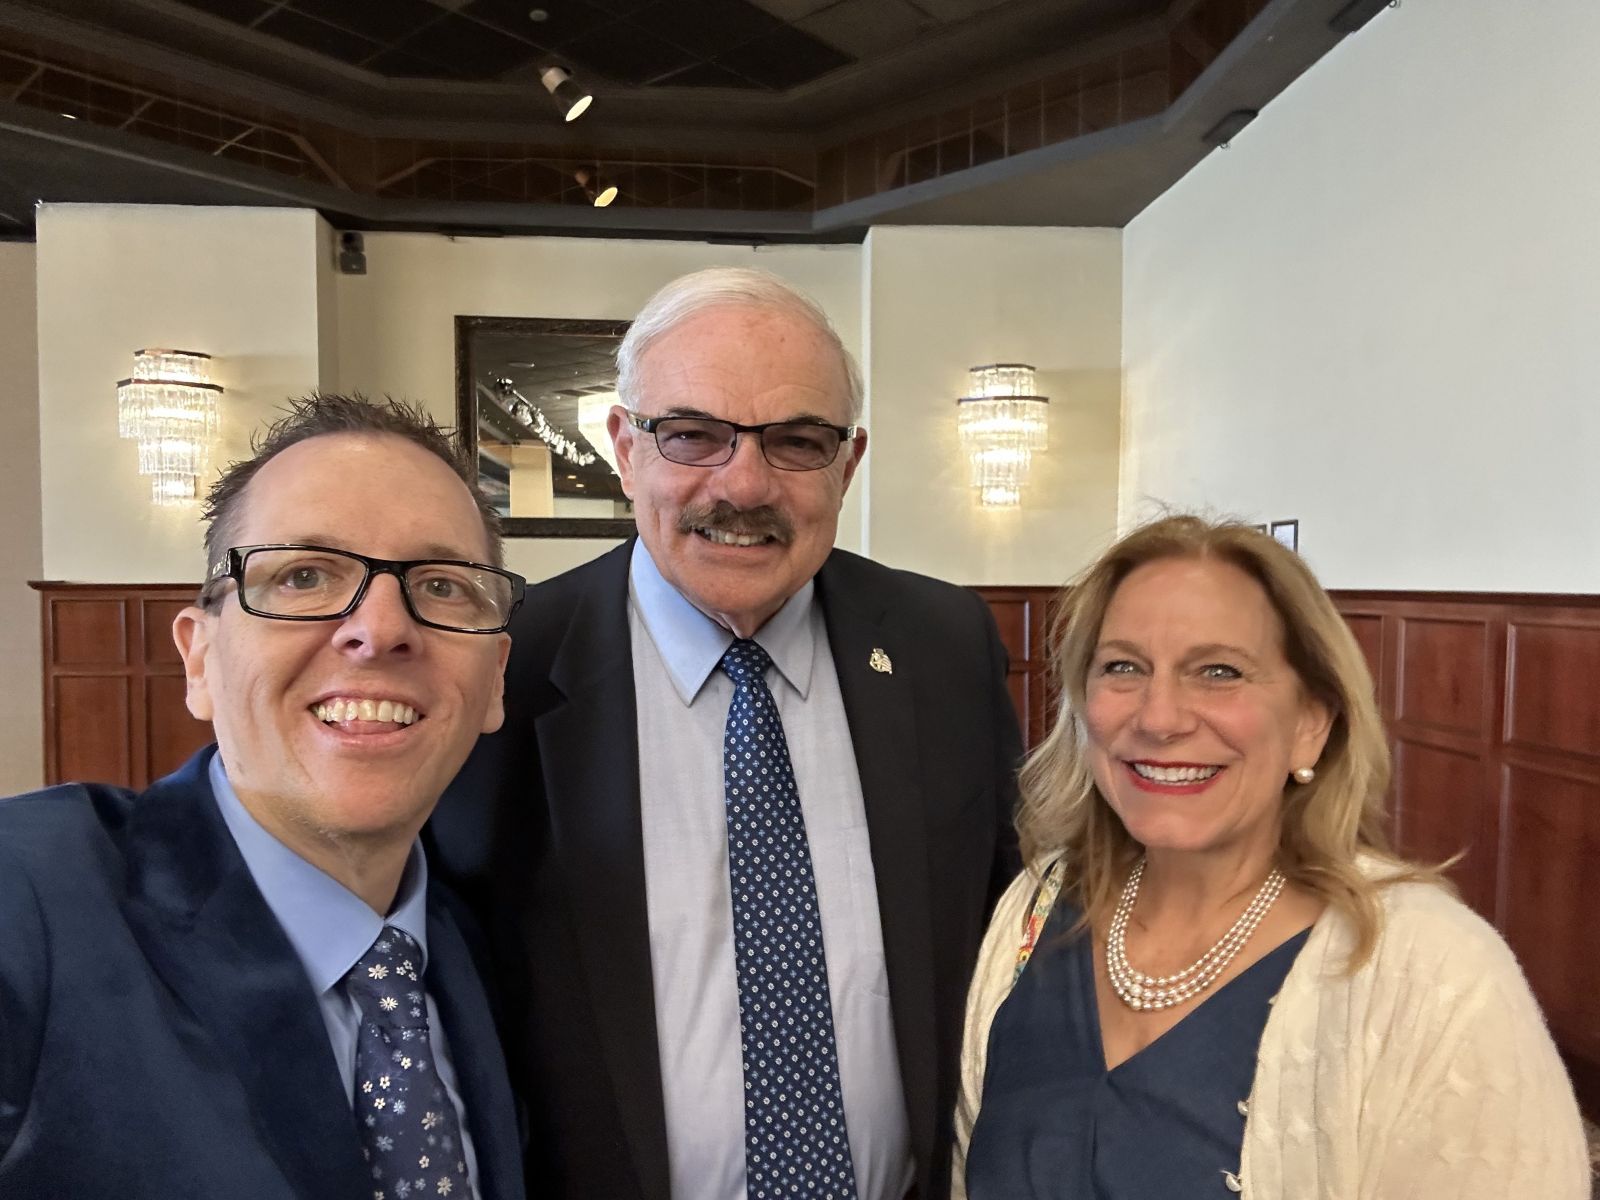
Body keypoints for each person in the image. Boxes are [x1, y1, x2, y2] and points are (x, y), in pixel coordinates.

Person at [432, 267, 1022, 1200]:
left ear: (848, 465)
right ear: (625, 448)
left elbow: (1009, 929)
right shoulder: (502, 665)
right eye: (692, 434)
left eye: (797, 441)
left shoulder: (942, 645)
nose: (743, 484)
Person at [952, 514, 1590, 1199]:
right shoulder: (1036, 906)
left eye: (1219, 671)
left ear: (1312, 723)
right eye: (1123, 667)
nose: (1160, 718)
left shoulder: (1436, 973)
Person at [0, 394, 528, 1200]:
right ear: (199, 659)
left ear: (494, 681)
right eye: (304, 575)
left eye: (443, 585)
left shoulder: (494, 954)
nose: (381, 629)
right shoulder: (25, 901)